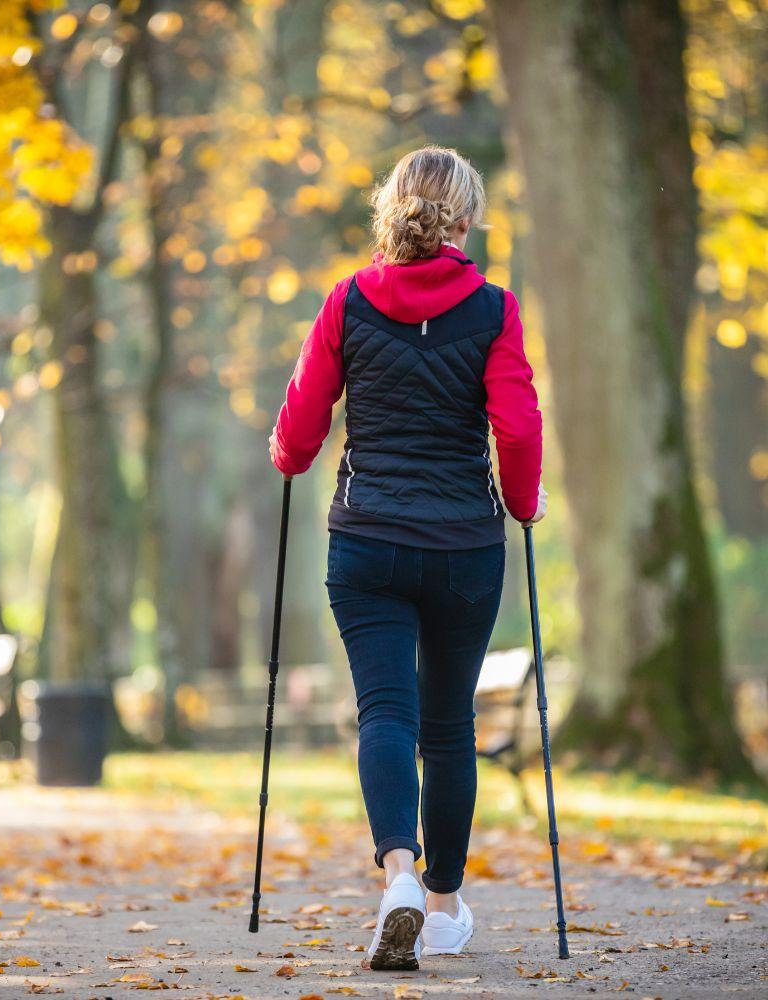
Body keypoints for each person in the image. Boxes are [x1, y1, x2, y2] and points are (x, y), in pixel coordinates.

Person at [268, 145, 546, 971]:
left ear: (391, 211)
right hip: (463, 546)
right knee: (449, 726)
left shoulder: (348, 301)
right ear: (466, 219)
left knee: (384, 712)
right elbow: (520, 429)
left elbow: (303, 423)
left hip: (367, 544)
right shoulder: (494, 308)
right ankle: (445, 903)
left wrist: (287, 454)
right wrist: (524, 503)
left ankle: (398, 873)